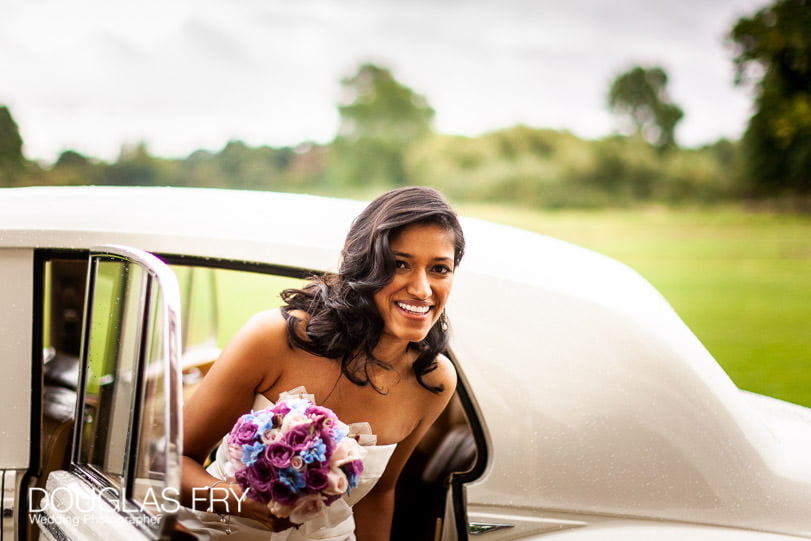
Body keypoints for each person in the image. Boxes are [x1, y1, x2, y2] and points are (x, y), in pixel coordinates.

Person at [178, 186, 465, 540]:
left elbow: (378, 494)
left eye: (439, 269)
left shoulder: (434, 381)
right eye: (400, 264)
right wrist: (240, 502)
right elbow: (174, 466)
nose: (422, 289)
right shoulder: (273, 338)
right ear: (364, 264)